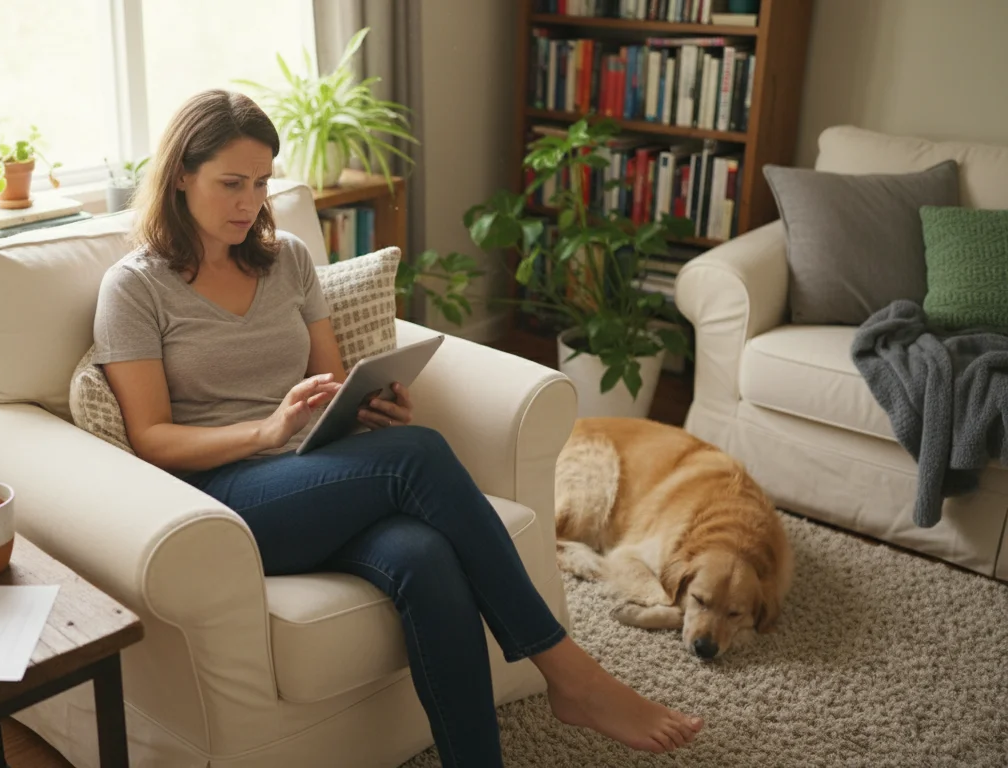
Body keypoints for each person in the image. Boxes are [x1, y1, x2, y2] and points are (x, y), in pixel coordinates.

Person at [93, 89, 703, 767]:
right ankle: (571, 672)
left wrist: (368, 411)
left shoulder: (287, 258)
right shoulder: (135, 288)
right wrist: (268, 433)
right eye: (230, 184)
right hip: (224, 495)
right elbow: (151, 437)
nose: (249, 203)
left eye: (261, 183)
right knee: (416, 456)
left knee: (424, 555)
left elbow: (329, 388)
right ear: (181, 174)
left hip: (315, 474)